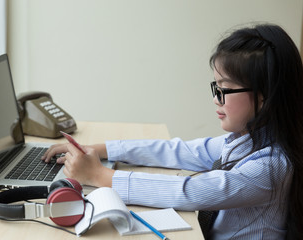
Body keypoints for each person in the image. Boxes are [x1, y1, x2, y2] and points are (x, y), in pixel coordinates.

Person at [42, 23, 303, 239]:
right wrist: (100, 150)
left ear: (264, 98)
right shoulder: (246, 140)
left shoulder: (270, 168)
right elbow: (181, 150)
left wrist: (100, 176)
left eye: (224, 88)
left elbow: (189, 191)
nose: (215, 98)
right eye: (216, 86)